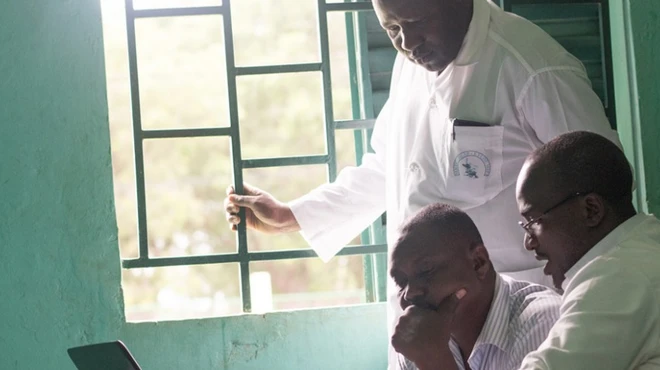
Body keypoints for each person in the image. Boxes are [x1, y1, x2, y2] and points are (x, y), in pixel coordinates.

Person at [225, 0, 620, 367]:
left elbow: (601, 198)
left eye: (416, 22)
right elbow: (388, 168)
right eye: (391, 28)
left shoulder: (531, 66)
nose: (407, 42)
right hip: (429, 327)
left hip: (519, 329)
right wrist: (292, 215)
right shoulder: (412, 65)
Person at [515, 131, 660, 369]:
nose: (529, 243)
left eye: (534, 221)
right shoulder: (646, 243)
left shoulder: (618, 276)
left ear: (591, 210)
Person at [389, 203, 560, 370]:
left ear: (479, 263)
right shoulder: (418, 336)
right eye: (401, 281)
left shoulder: (544, 323)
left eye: (425, 270)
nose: (410, 293)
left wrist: (434, 360)